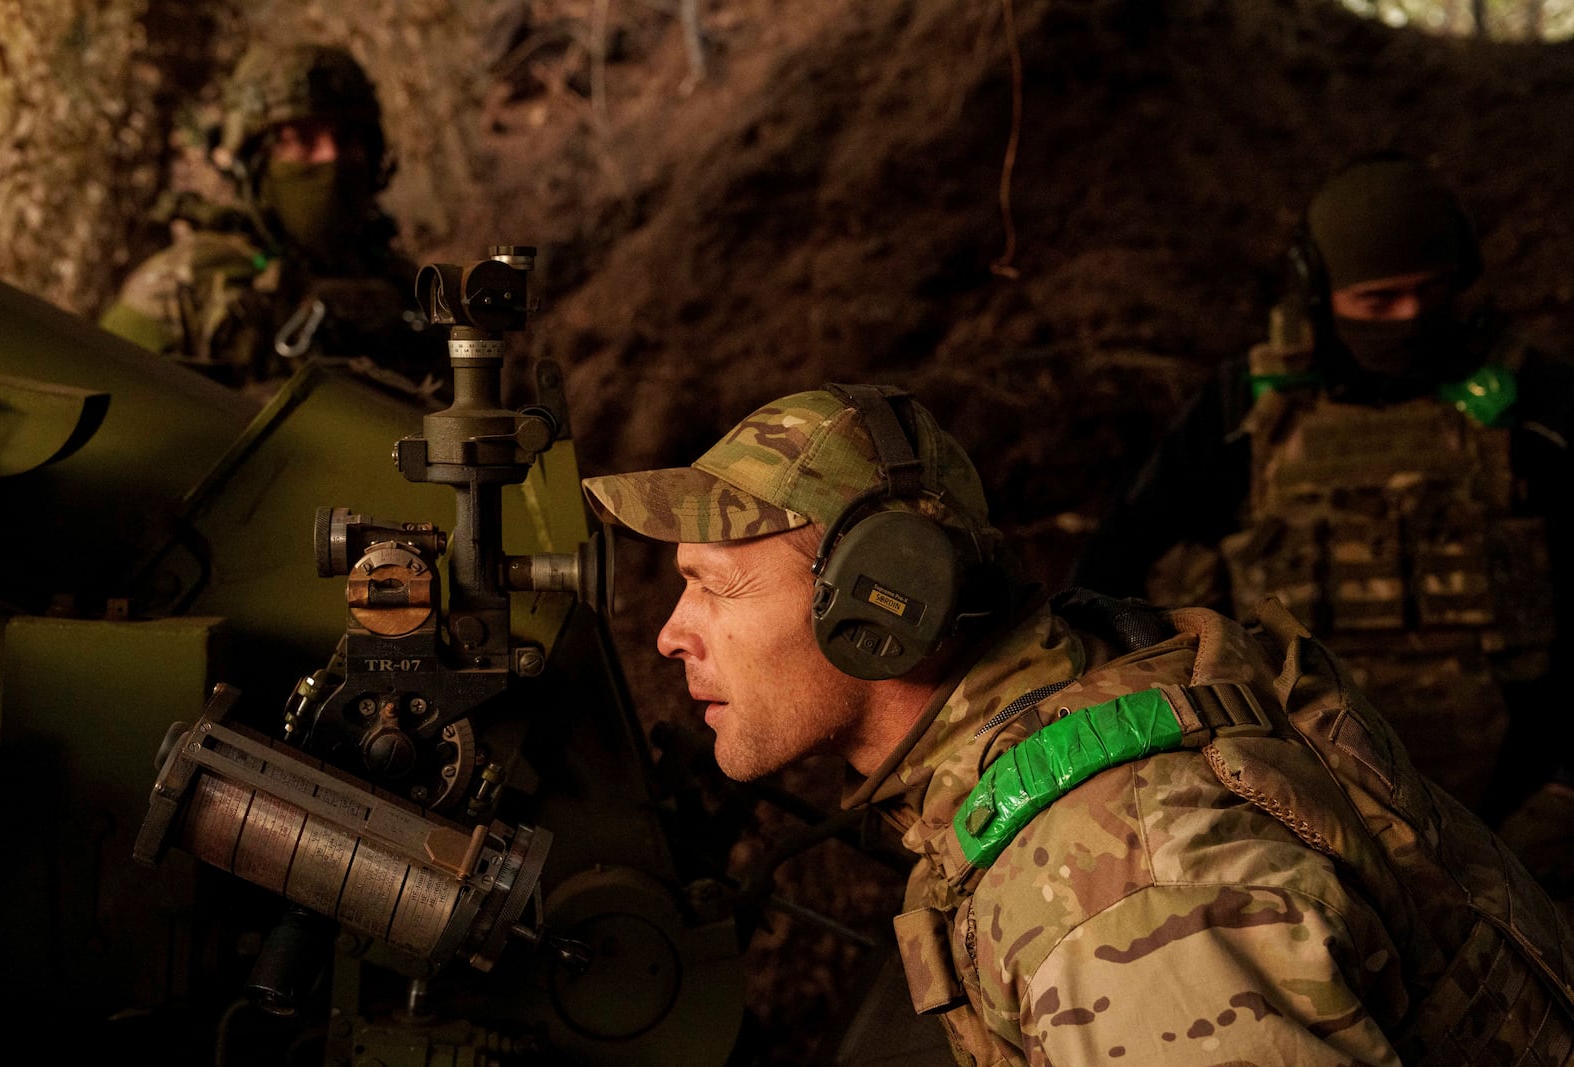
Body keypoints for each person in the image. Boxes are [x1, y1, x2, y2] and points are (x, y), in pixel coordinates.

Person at [581, 382, 1574, 1065]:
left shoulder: (1116, 900)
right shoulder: (1083, 685)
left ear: (887, 601)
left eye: (714, 587)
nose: (672, 634)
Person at [1068, 152, 1574, 826]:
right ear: (1317, 289)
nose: (1412, 316)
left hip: (1512, 800)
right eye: (1379, 300)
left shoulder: (1535, 404)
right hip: (1291, 791)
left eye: (1433, 290)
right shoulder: (1243, 412)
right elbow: (1110, 571)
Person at [98, 42, 445, 401]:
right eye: (303, 140)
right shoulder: (180, 292)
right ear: (254, 162)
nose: (333, 158)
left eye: (348, 138)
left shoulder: (411, 292)